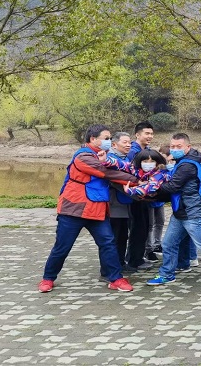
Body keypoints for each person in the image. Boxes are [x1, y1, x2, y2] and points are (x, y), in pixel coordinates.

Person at [38, 124, 139, 293]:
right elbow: (106, 172)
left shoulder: (103, 156)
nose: (109, 141)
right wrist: (136, 180)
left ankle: (115, 278)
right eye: (106, 138)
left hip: (97, 209)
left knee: (108, 243)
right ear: (93, 139)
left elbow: (114, 168)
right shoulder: (83, 157)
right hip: (73, 209)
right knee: (63, 246)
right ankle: (48, 278)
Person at [145, 133, 201, 296]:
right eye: (172, 147)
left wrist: (147, 187)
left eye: (178, 147)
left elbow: (172, 187)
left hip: (193, 213)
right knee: (168, 244)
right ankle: (167, 274)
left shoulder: (187, 165)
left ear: (188, 148)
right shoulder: (180, 162)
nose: (175, 149)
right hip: (179, 212)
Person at [126, 121, 155, 271]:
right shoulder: (132, 151)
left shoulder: (147, 150)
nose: (150, 136)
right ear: (137, 134)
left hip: (145, 195)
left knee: (145, 226)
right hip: (135, 196)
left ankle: (137, 256)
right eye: (147, 133)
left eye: (151, 133)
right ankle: (134, 260)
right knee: (138, 227)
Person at [106, 132, 135, 275]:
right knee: (115, 235)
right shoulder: (110, 160)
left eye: (129, 142)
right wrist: (135, 188)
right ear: (114, 144)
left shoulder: (125, 158)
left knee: (123, 235)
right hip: (114, 203)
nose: (128, 145)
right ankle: (112, 267)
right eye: (125, 142)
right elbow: (114, 180)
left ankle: (120, 263)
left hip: (123, 203)